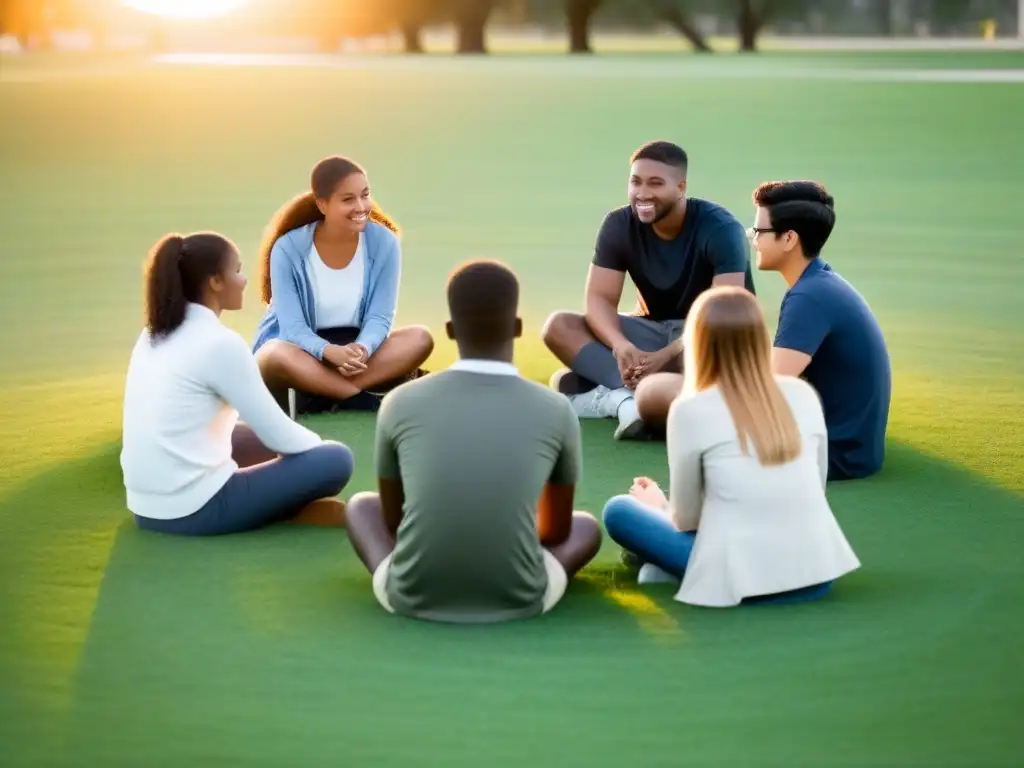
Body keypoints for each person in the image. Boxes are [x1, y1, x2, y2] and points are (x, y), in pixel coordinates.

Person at [344, 260, 603, 623]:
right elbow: (557, 530)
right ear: (516, 328)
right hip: (522, 598)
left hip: (409, 596)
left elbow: (391, 521)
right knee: (585, 527)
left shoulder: (399, 402)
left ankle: (410, 579)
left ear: (450, 331)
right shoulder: (556, 408)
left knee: (360, 507)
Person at [601, 286, 861, 607]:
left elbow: (686, 522)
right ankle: (674, 566)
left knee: (619, 511)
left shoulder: (690, 409)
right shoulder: (802, 394)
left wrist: (657, 506)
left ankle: (678, 568)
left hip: (744, 577)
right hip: (816, 576)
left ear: (697, 343)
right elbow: (817, 488)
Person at [120, 232, 355, 536]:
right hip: (195, 511)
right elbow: (281, 436)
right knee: (335, 459)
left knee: (239, 432)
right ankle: (293, 505)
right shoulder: (220, 344)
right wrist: (313, 453)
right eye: (238, 270)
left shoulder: (152, 333)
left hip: (144, 508)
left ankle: (286, 498)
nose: (244, 281)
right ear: (215, 282)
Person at [541, 140, 754, 440]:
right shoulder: (618, 224)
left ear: (680, 188)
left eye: (655, 183)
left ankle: (605, 389)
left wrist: (667, 355)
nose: (642, 193)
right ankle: (626, 399)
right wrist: (620, 346)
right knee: (559, 326)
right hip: (650, 332)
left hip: (706, 338)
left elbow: (723, 315)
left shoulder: (721, 228)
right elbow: (599, 299)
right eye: (635, 182)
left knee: (567, 381)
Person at [252, 156, 434, 416]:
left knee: (420, 338)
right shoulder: (288, 248)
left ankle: (320, 392)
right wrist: (326, 351)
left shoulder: (384, 242)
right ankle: (359, 398)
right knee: (271, 356)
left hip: (356, 350)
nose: (361, 206)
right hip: (299, 348)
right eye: (348, 199)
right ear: (323, 204)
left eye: (365, 195)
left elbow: (380, 316)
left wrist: (363, 348)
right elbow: (292, 327)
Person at [752, 180, 891, 480]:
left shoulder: (809, 297)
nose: (753, 240)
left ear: (789, 238)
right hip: (853, 449)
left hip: (835, 455)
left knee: (680, 398)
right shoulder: (820, 282)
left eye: (759, 232)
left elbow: (768, 389)